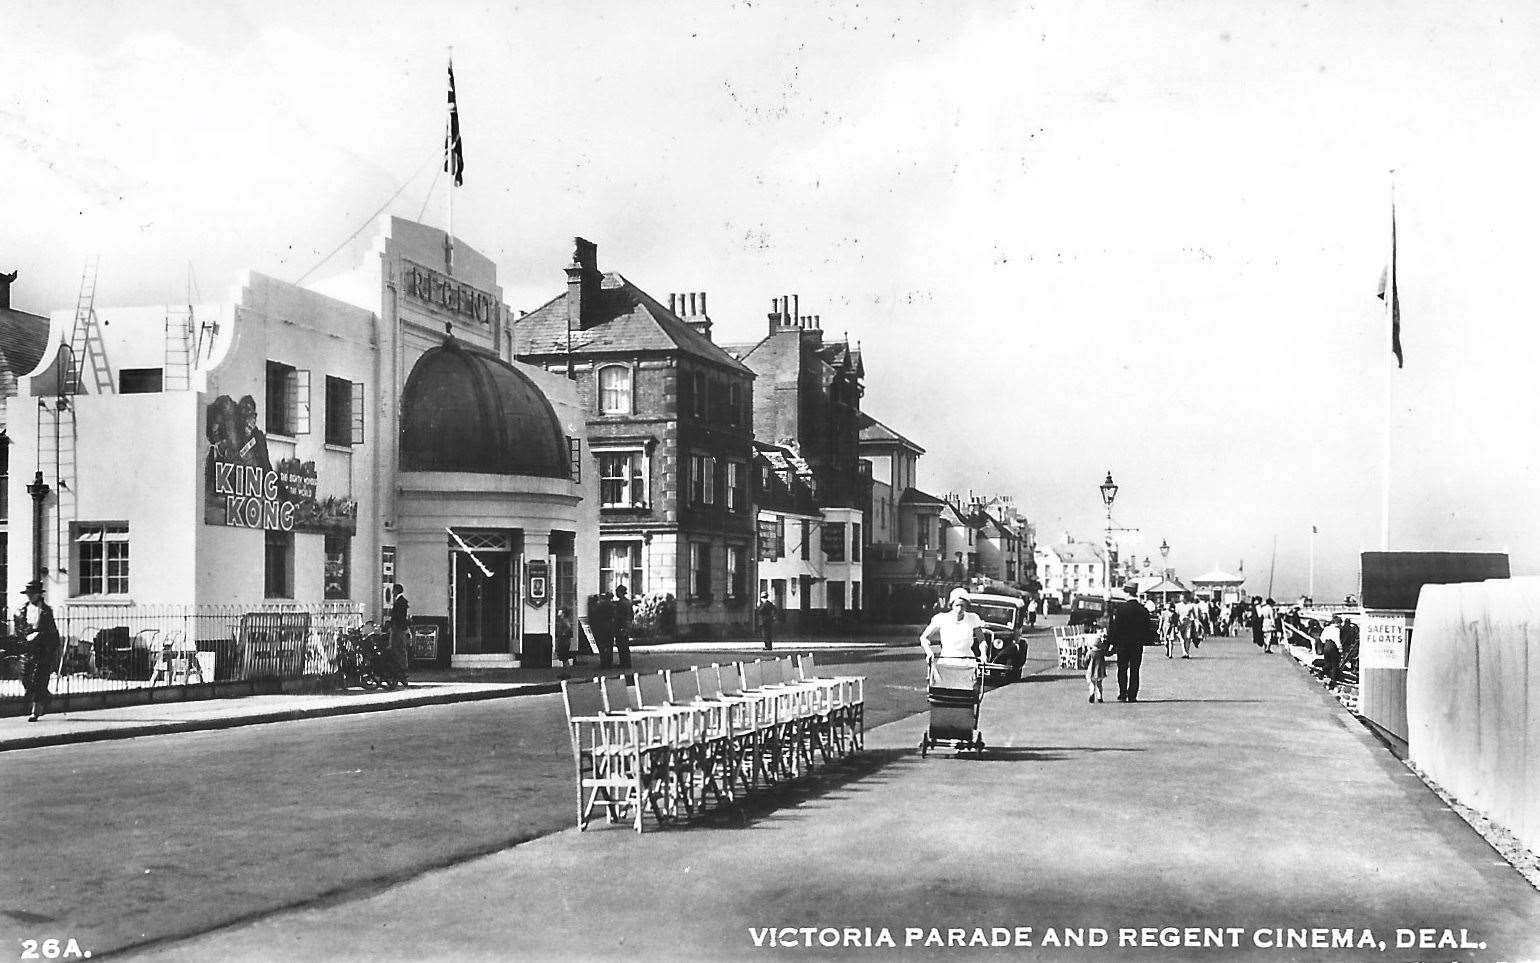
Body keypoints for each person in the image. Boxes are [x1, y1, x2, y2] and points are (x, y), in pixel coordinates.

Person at [18, 580, 61, 722]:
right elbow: (20, 628)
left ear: (38, 594)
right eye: (28, 594)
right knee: (26, 678)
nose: (30, 596)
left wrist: (50, 646)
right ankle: (45, 696)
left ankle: (35, 711)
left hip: (42, 649)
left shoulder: (46, 611)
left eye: (32, 594)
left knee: (39, 680)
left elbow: (52, 631)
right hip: (27, 649)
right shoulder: (23, 609)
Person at [1107, 592, 1155, 702]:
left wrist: (1111, 643)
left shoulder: (1120, 609)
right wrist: (1146, 640)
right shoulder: (1143, 610)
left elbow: (1115, 627)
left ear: (1128, 595)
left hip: (1122, 644)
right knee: (1135, 669)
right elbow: (1147, 628)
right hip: (1137, 644)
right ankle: (1132, 695)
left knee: (1122, 668)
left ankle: (1123, 693)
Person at [919, 590, 983, 661]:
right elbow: (924, 638)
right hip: (947, 661)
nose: (959, 609)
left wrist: (983, 655)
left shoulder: (973, 618)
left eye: (962, 606)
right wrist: (929, 652)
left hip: (968, 662)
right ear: (951, 605)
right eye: (957, 605)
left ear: (966, 606)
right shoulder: (941, 618)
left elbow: (982, 640)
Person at [388, 583, 411, 683]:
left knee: (397, 648)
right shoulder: (401, 601)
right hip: (399, 628)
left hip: (398, 628)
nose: (392, 592)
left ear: (396, 591)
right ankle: (400, 671)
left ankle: (401, 671)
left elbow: (399, 617)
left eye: (393, 590)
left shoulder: (400, 602)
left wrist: (392, 624)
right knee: (399, 649)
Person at [590, 591, 616, 669]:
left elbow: (594, 612)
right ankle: (609, 663)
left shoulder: (600, 605)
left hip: (601, 626)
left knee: (602, 645)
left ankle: (603, 662)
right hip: (610, 626)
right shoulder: (612, 605)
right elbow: (614, 615)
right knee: (609, 645)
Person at [611, 584, 635, 668]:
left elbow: (619, 616)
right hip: (627, 625)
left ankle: (624, 663)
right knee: (625, 644)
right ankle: (627, 663)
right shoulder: (628, 602)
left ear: (620, 592)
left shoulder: (621, 603)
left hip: (621, 626)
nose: (616, 594)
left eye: (617, 592)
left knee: (621, 645)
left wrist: (617, 625)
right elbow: (632, 614)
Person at [1319, 615, 1343, 686]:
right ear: (1337, 623)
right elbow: (1337, 640)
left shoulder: (1326, 628)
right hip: (1333, 646)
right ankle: (1333, 680)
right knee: (1334, 663)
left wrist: (1326, 643)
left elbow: (1322, 638)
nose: (1340, 625)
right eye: (1340, 623)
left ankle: (1321, 674)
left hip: (1326, 645)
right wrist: (1340, 648)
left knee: (1327, 662)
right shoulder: (1336, 630)